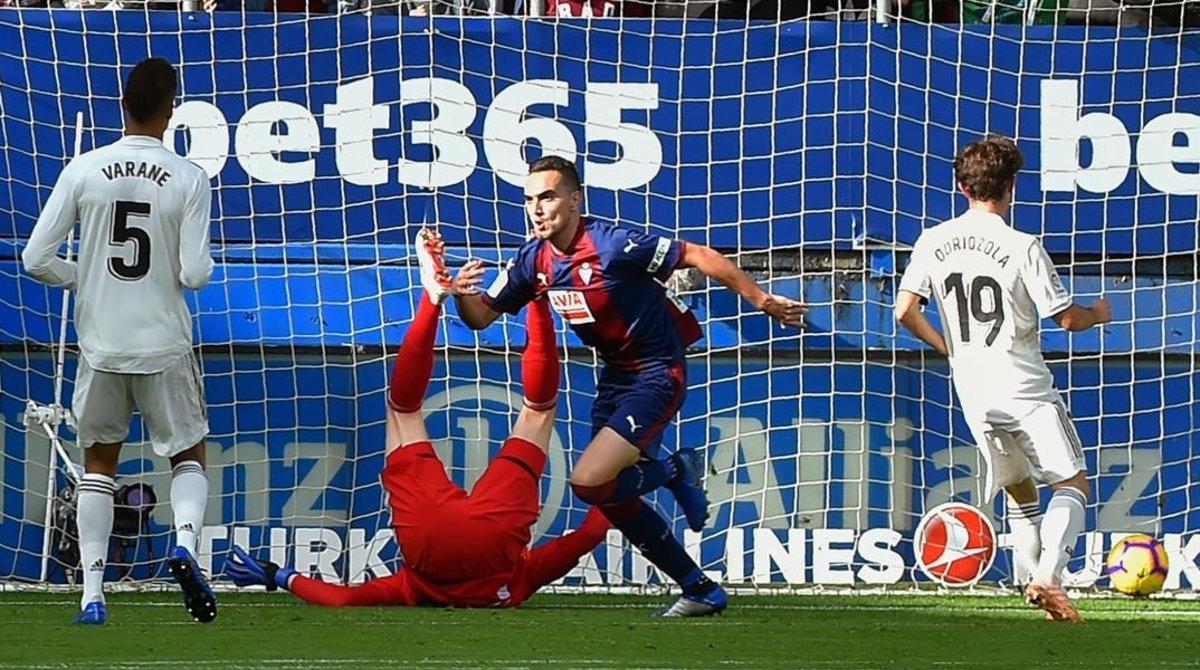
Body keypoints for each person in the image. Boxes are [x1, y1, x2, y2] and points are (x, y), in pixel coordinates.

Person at [444, 155, 805, 616]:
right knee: (607, 495)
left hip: (658, 372)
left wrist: (761, 299)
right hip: (615, 377)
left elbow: (697, 255)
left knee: (587, 480)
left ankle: (676, 471)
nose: (537, 208)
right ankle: (699, 588)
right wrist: (456, 293)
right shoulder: (532, 259)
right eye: (530, 199)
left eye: (548, 196)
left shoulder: (614, 244)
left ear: (575, 201)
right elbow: (480, 318)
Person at [227, 258, 610, 607]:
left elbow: (586, 537)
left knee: (533, 411)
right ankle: (467, 297)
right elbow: (343, 599)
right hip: (444, 537)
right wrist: (280, 575)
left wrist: (620, 486)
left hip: (474, 536)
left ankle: (486, 298)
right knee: (409, 411)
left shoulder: (500, 582)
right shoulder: (414, 590)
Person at [22, 57, 216, 625]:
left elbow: (35, 258)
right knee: (188, 454)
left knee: (97, 466)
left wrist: (83, 274)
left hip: (101, 346)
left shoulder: (84, 168)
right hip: (164, 346)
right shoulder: (189, 177)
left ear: (122, 107)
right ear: (171, 111)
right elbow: (196, 273)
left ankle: (91, 594)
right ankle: (183, 544)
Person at [894, 134, 1112, 622]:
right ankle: (1049, 577)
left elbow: (905, 311)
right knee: (1072, 482)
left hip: (972, 388)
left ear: (960, 185)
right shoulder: (1021, 246)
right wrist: (1099, 312)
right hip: (1024, 385)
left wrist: (950, 347)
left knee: (1019, 488)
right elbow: (1067, 320)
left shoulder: (933, 240)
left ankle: (1027, 583)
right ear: (1012, 186)